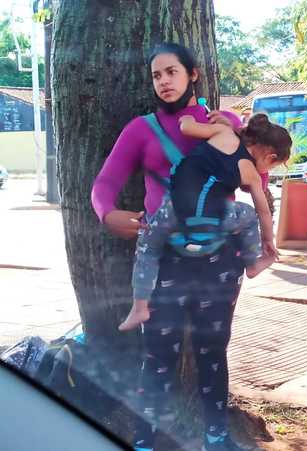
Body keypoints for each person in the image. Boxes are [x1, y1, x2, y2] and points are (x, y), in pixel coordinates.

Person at [91, 42, 255, 451]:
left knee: (213, 353)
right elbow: (104, 185)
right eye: (156, 75)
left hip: (220, 259)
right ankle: (145, 440)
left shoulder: (220, 124)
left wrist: (232, 127)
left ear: (193, 75)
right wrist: (106, 213)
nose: (164, 81)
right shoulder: (141, 130)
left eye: (172, 72)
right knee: (158, 358)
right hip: (163, 261)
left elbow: (254, 178)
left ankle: (216, 438)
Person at [118, 113, 291, 331]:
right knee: (247, 214)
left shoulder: (224, 132)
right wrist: (268, 240)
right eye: (273, 167)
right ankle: (252, 264)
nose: (267, 172)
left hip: (175, 210)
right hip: (212, 217)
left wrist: (187, 118)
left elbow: (187, 128)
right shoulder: (252, 174)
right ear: (271, 157)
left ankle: (139, 306)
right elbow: (263, 212)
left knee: (147, 246)